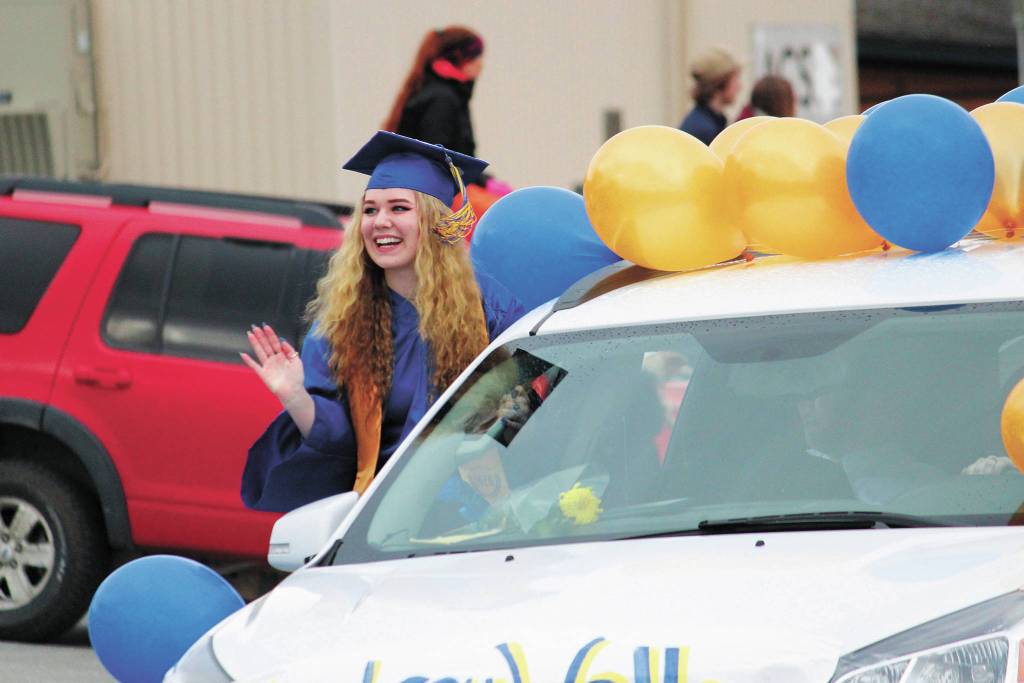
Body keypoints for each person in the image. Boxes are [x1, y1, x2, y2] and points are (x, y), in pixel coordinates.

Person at [240, 131, 524, 513]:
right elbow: (339, 445)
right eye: (370, 210)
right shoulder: (343, 322)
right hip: (384, 516)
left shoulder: (491, 308)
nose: (380, 222)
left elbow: (534, 397)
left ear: (435, 220)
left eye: (399, 208)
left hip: (482, 510)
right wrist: (296, 397)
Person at [383, 26, 484, 161]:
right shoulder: (442, 99)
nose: (481, 64)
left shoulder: (438, 92)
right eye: (475, 56)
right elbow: (438, 157)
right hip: (429, 180)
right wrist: (473, 181)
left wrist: (485, 180)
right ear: (458, 58)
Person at [678, 47, 741, 146]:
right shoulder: (703, 131)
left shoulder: (706, 122)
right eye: (735, 80)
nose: (739, 86)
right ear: (720, 83)